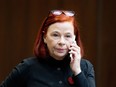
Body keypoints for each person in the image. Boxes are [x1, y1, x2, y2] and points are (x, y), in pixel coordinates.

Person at [0, 10, 96, 87]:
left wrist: (77, 71)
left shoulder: (85, 67)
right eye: (55, 35)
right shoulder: (28, 67)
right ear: (44, 37)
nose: (62, 42)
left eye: (67, 36)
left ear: (74, 38)